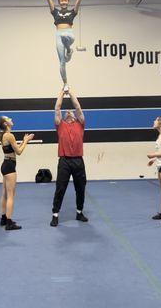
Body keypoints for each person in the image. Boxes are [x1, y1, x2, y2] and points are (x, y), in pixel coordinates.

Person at [37, 0, 91, 91]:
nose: (63, 2)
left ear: (68, 1)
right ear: (59, 2)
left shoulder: (72, 12)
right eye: (62, 1)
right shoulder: (55, 12)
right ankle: (65, 83)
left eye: (65, 0)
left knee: (66, 37)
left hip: (69, 35)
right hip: (58, 35)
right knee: (62, 62)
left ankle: (69, 50)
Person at [50, 87, 88, 227]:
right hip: (64, 161)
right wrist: (62, 92)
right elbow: (57, 107)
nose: (69, 112)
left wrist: (71, 92)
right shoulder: (60, 125)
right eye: (66, 112)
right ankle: (55, 215)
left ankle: (79, 212)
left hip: (78, 160)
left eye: (70, 112)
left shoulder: (80, 124)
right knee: (60, 188)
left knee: (80, 188)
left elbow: (77, 107)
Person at [0, 116, 34, 230]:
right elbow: (19, 152)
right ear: (6, 124)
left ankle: (3, 218)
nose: (11, 119)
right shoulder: (10, 135)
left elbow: (15, 149)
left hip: (5, 165)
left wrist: (23, 141)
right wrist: (26, 141)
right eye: (8, 118)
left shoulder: (3, 135)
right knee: (10, 195)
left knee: (4, 194)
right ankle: (9, 222)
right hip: (10, 166)